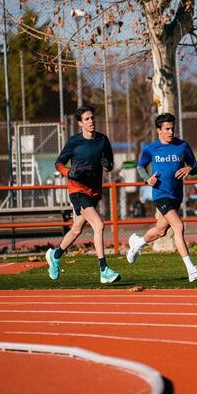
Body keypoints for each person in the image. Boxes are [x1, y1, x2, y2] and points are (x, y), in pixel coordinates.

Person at [126, 112, 197, 282]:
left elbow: (195, 165)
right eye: (167, 129)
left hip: (176, 196)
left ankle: (137, 243)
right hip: (161, 195)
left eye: (172, 128)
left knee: (161, 231)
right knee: (178, 226)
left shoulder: (183, 146)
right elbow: (140, 166)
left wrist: (190, 169)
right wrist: (147, 178)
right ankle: (191, 270)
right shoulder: (150, 148)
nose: (171, 132)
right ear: (159, 131)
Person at [45, 106, 120, 284]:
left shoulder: (103, 140)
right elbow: (59, 163)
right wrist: (68, 172)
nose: (91, 121)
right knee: (99, 225)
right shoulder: (74, 142)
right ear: (80, 123)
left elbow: (110, 166)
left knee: (77, 229)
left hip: (94, 191)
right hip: (77, 189)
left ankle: (55, 255)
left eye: (92, 118)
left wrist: (107, 164)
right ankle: (104, 270)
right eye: (87, 119)